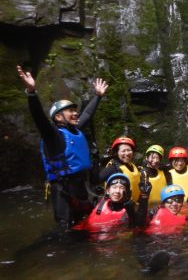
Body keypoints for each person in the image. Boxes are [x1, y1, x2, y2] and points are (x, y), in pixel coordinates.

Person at [16, 65, 108, 229]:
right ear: (58, 117)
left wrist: (98, 96)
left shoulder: (75, 131)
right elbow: (40, 119)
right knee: (66, 229)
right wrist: (31, 92)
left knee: (85, 223)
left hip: (80, 186)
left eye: (75, 110)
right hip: (63, 190)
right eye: (70, 111)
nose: (76, 113)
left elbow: (87, 114)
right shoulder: (54, 137)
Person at [76, 173, 149, 232]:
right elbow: (78, 204)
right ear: (107, 190)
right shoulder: (96, 202)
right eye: (114, 187)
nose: (117, 191)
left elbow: (140, 225)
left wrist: (144, 197)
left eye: (122, 188)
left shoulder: (131, 209)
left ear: (127, 193)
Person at [99, 137, 142, 202]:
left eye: (129, 150)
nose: (127, 153)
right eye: (123, 151)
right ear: (117, 153)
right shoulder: (113, 168)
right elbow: (97, 179)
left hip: (132, 205)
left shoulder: (133, 166)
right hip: (118, 207)